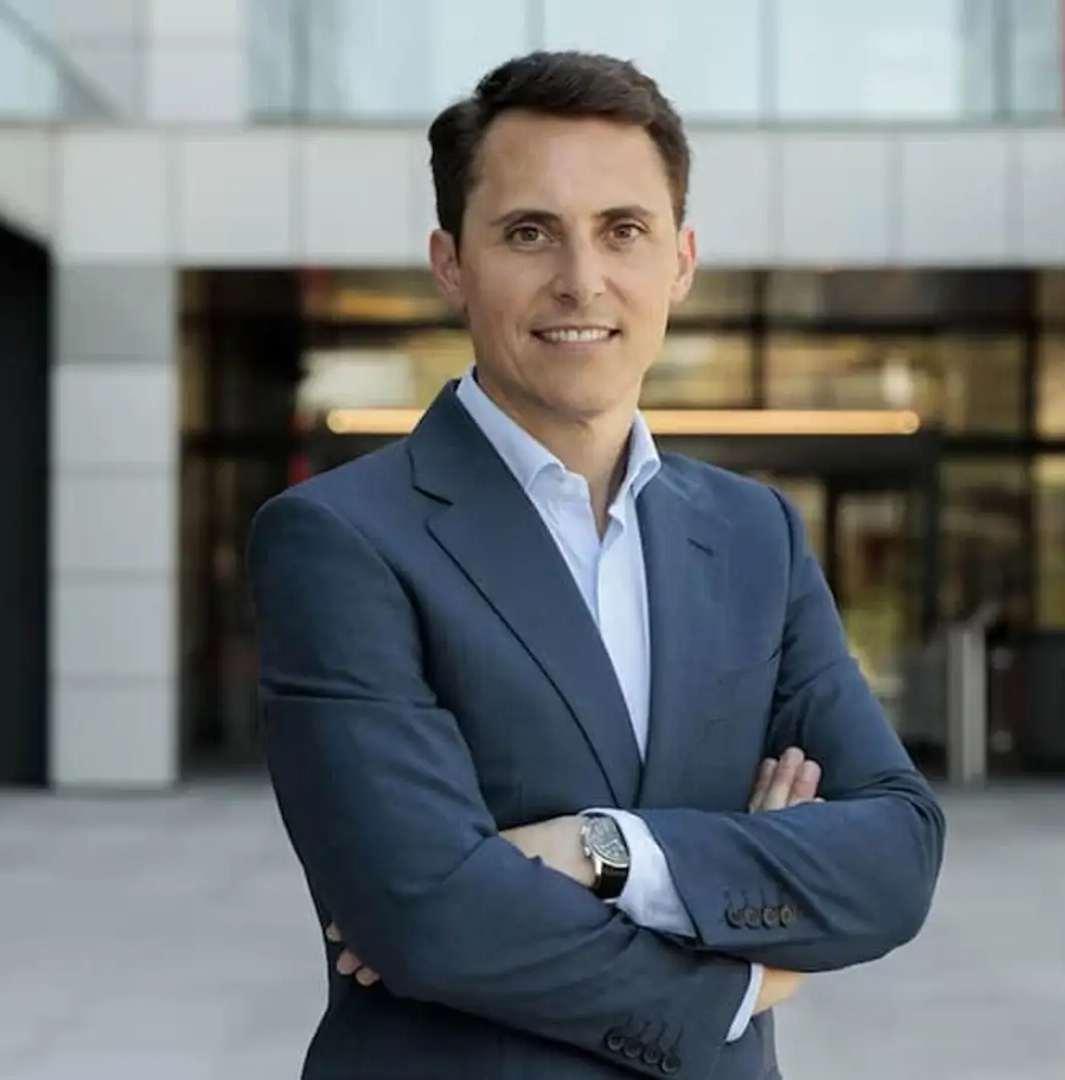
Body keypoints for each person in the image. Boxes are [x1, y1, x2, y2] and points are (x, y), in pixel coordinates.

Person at [247, 50, 946, 1080]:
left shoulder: (755, 534)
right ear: (451, 263)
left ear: (681, 259)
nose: (582, 279)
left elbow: (895, 858)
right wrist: (748, 976)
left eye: (624, 230)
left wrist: (598, 850)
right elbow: (427, 915)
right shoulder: (340, 539)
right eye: (530, 233)